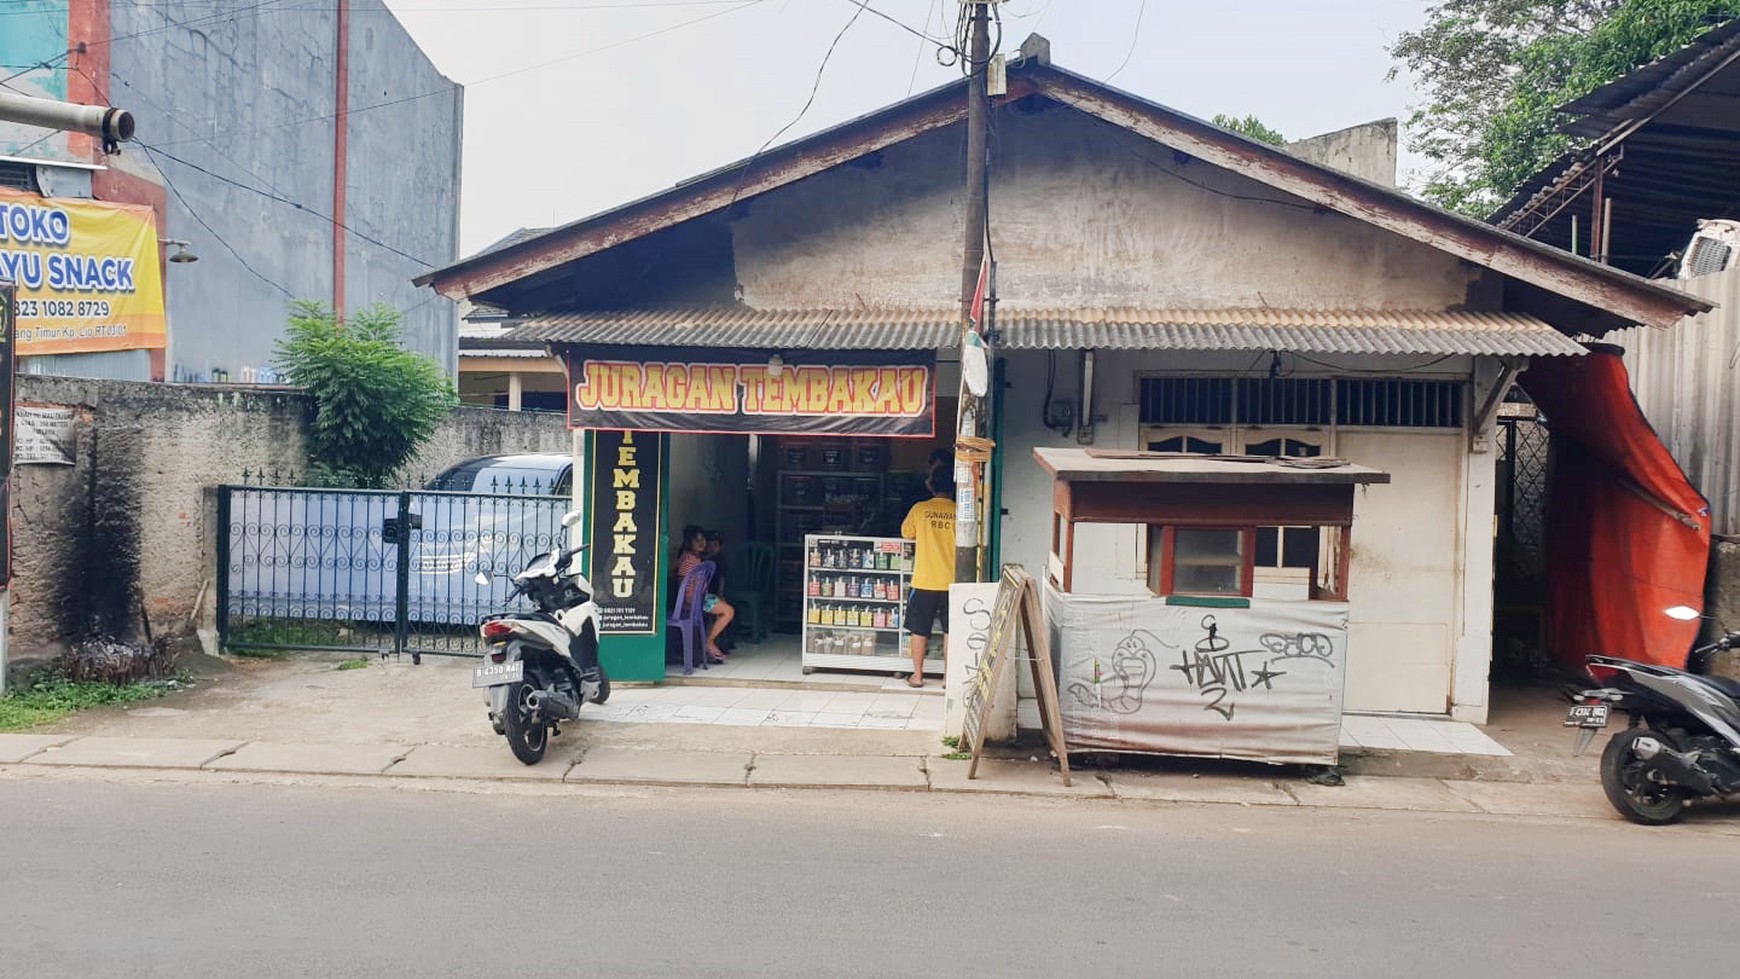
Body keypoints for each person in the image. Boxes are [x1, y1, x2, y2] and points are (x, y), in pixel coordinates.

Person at [899, 470, 957, 688]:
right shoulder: (959, 510)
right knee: (950, 630)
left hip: (924, 580)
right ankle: (947, 679)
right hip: (952, 582)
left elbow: (906, 533)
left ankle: (918, 676)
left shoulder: (920, 509)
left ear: (930, 487)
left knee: (919, 629)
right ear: (952, 489)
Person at [675, 524, 734, 663]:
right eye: (697, 540)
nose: (702, 543)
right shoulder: (689, 560)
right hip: (694, 600)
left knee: (721, 609)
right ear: (689, 543)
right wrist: (689, 602)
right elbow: (684, 585)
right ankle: (709, 642)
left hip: (699, 598)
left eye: (703, 540)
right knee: (728, 611)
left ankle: (706, 642)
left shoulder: (690, 557)